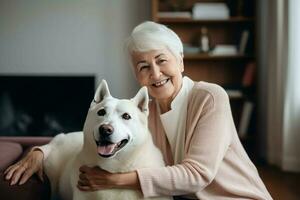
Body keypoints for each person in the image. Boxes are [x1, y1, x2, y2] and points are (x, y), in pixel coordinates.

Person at [4, 21, 273, 199]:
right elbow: (89, 136)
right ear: (137, 74)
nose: (155, 73)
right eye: (143, 66)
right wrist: (44, 151)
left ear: (180, 61)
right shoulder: (146, 113)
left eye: (161, 60)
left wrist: (115, 180)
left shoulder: (210, 97)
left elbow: (197, 174)